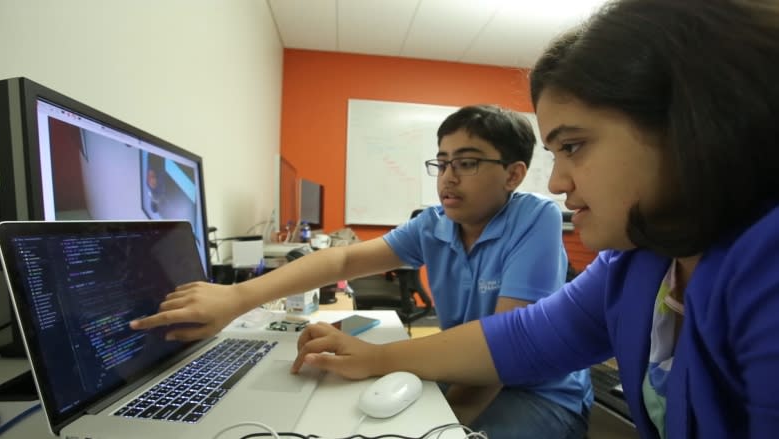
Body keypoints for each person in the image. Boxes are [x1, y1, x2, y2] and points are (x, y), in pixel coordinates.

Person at [284, 1, 779, 438]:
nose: (559, 180)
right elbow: (524, 337)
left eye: (574, 146)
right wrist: (373, 358)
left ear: (690, 127)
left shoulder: (765, 264)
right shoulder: (638, 262)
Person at [131, 105, 592, 437]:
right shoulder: (434, 225)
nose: (448, 176)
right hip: (465, 368)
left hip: (538, 391)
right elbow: (344, 259)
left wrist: (439, 423)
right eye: (442, 161)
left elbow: (506, 348)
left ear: (512, 175)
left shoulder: (536, 218)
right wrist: (236, 298)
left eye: (467, 163)